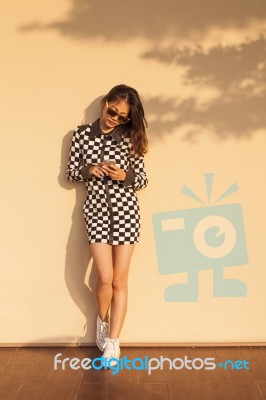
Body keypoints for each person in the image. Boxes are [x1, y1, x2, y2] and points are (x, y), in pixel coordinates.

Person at [66, 84, 148, 366]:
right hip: (96, 212)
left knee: (119, 281)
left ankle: (113, 341)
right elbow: (70, 173)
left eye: (122, 117)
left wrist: (124, 174)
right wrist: (88, 170)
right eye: (113, 111)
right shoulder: (80, 135)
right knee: (103, 278)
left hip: (126, 213)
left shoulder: (129, 137)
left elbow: (142, 179)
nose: (115, 119)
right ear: (105, 103)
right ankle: (102, 322)